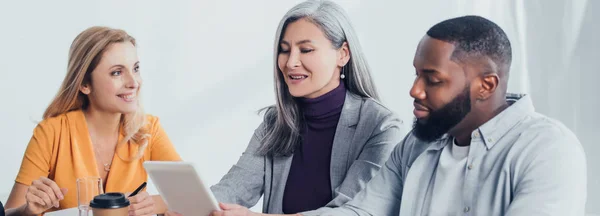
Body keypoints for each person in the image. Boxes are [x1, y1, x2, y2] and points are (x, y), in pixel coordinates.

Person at [306, 15, 587, 216]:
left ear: (486, 85)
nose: (415, 90)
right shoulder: (414, 145)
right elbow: (363, 211)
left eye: (433, 79)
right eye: (417, 74)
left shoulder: (548, 150)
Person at [176, 1, 405, 216]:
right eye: (284, 50)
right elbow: (234, 188)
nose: (290, 62)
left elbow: (351, 211)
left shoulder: (381, 126)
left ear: (343, 54)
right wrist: (187, 207)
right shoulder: (276, 121)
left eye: (305, 50)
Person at [4, 26, 182, 216]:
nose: (133, 82)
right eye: (117, 72)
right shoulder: (52, 132)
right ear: (84, 84)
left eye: (135, 68)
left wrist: (154, 204)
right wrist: (28, 209)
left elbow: (188, 195)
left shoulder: (148, 129)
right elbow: (8, 213)